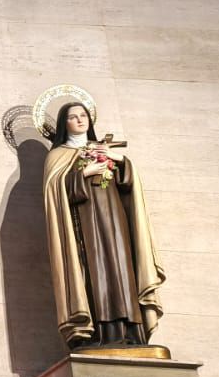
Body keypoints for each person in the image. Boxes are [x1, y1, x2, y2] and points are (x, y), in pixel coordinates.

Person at [41, 102, 166, 349]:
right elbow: (55, 194)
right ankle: (100, 333)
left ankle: (133, 332)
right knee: (97, 273)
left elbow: (129, 184)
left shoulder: (105, 149)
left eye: (83, 115)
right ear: (63, 125)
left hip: (116, 222)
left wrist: (118, 160)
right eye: (73, 117)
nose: (80, 120)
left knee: (122, 270)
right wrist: (84, 173)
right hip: (85, 227)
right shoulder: (57, 156)